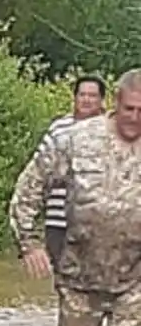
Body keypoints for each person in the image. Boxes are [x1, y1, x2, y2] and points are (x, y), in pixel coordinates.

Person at [9, 68, 141, 326]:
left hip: (135, 280)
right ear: (114, 105)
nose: (136, 118)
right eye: (130, 109)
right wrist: (29, 243)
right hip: (79, 275)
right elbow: (29, 189)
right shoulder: (77, 141)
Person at [28, 75, 107, 269]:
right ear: (75, 98)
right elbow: (37, 173)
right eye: (82, 95)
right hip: (58, 220)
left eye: (92, 95)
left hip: (98, 223)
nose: (86, 100)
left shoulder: (111, 131)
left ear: (102, 100)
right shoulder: (58, 129)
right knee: (64, 282)